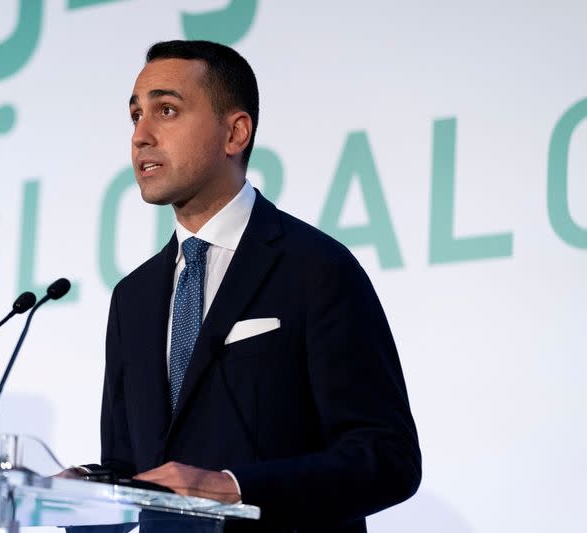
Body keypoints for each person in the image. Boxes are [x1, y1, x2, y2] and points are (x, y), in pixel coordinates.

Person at [83, 40, 421, 532]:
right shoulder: (131, 298)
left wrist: (233, 488)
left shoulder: (315, 267)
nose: (141, 136)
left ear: (235, 133)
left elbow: (386, 459)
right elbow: (130, 468)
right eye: (135, 116)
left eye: (167, 110)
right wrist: (79, 489)